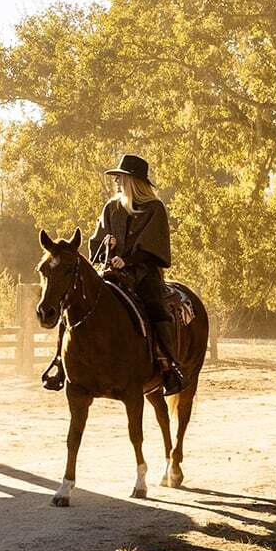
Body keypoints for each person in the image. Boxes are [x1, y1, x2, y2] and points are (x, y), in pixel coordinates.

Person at [91, 152, 187, 395]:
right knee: (84, 301)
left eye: (121, 177)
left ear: (133, 180)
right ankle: (67, 362)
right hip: (112, 273)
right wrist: (106, 246)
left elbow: (154, 248)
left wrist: (127, 260)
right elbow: (96, 243)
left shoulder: (154, 208)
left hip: (144, 275)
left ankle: (169, 365)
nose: (116, 182)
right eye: (117, 177)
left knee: (155, 306)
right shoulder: (110, 209)